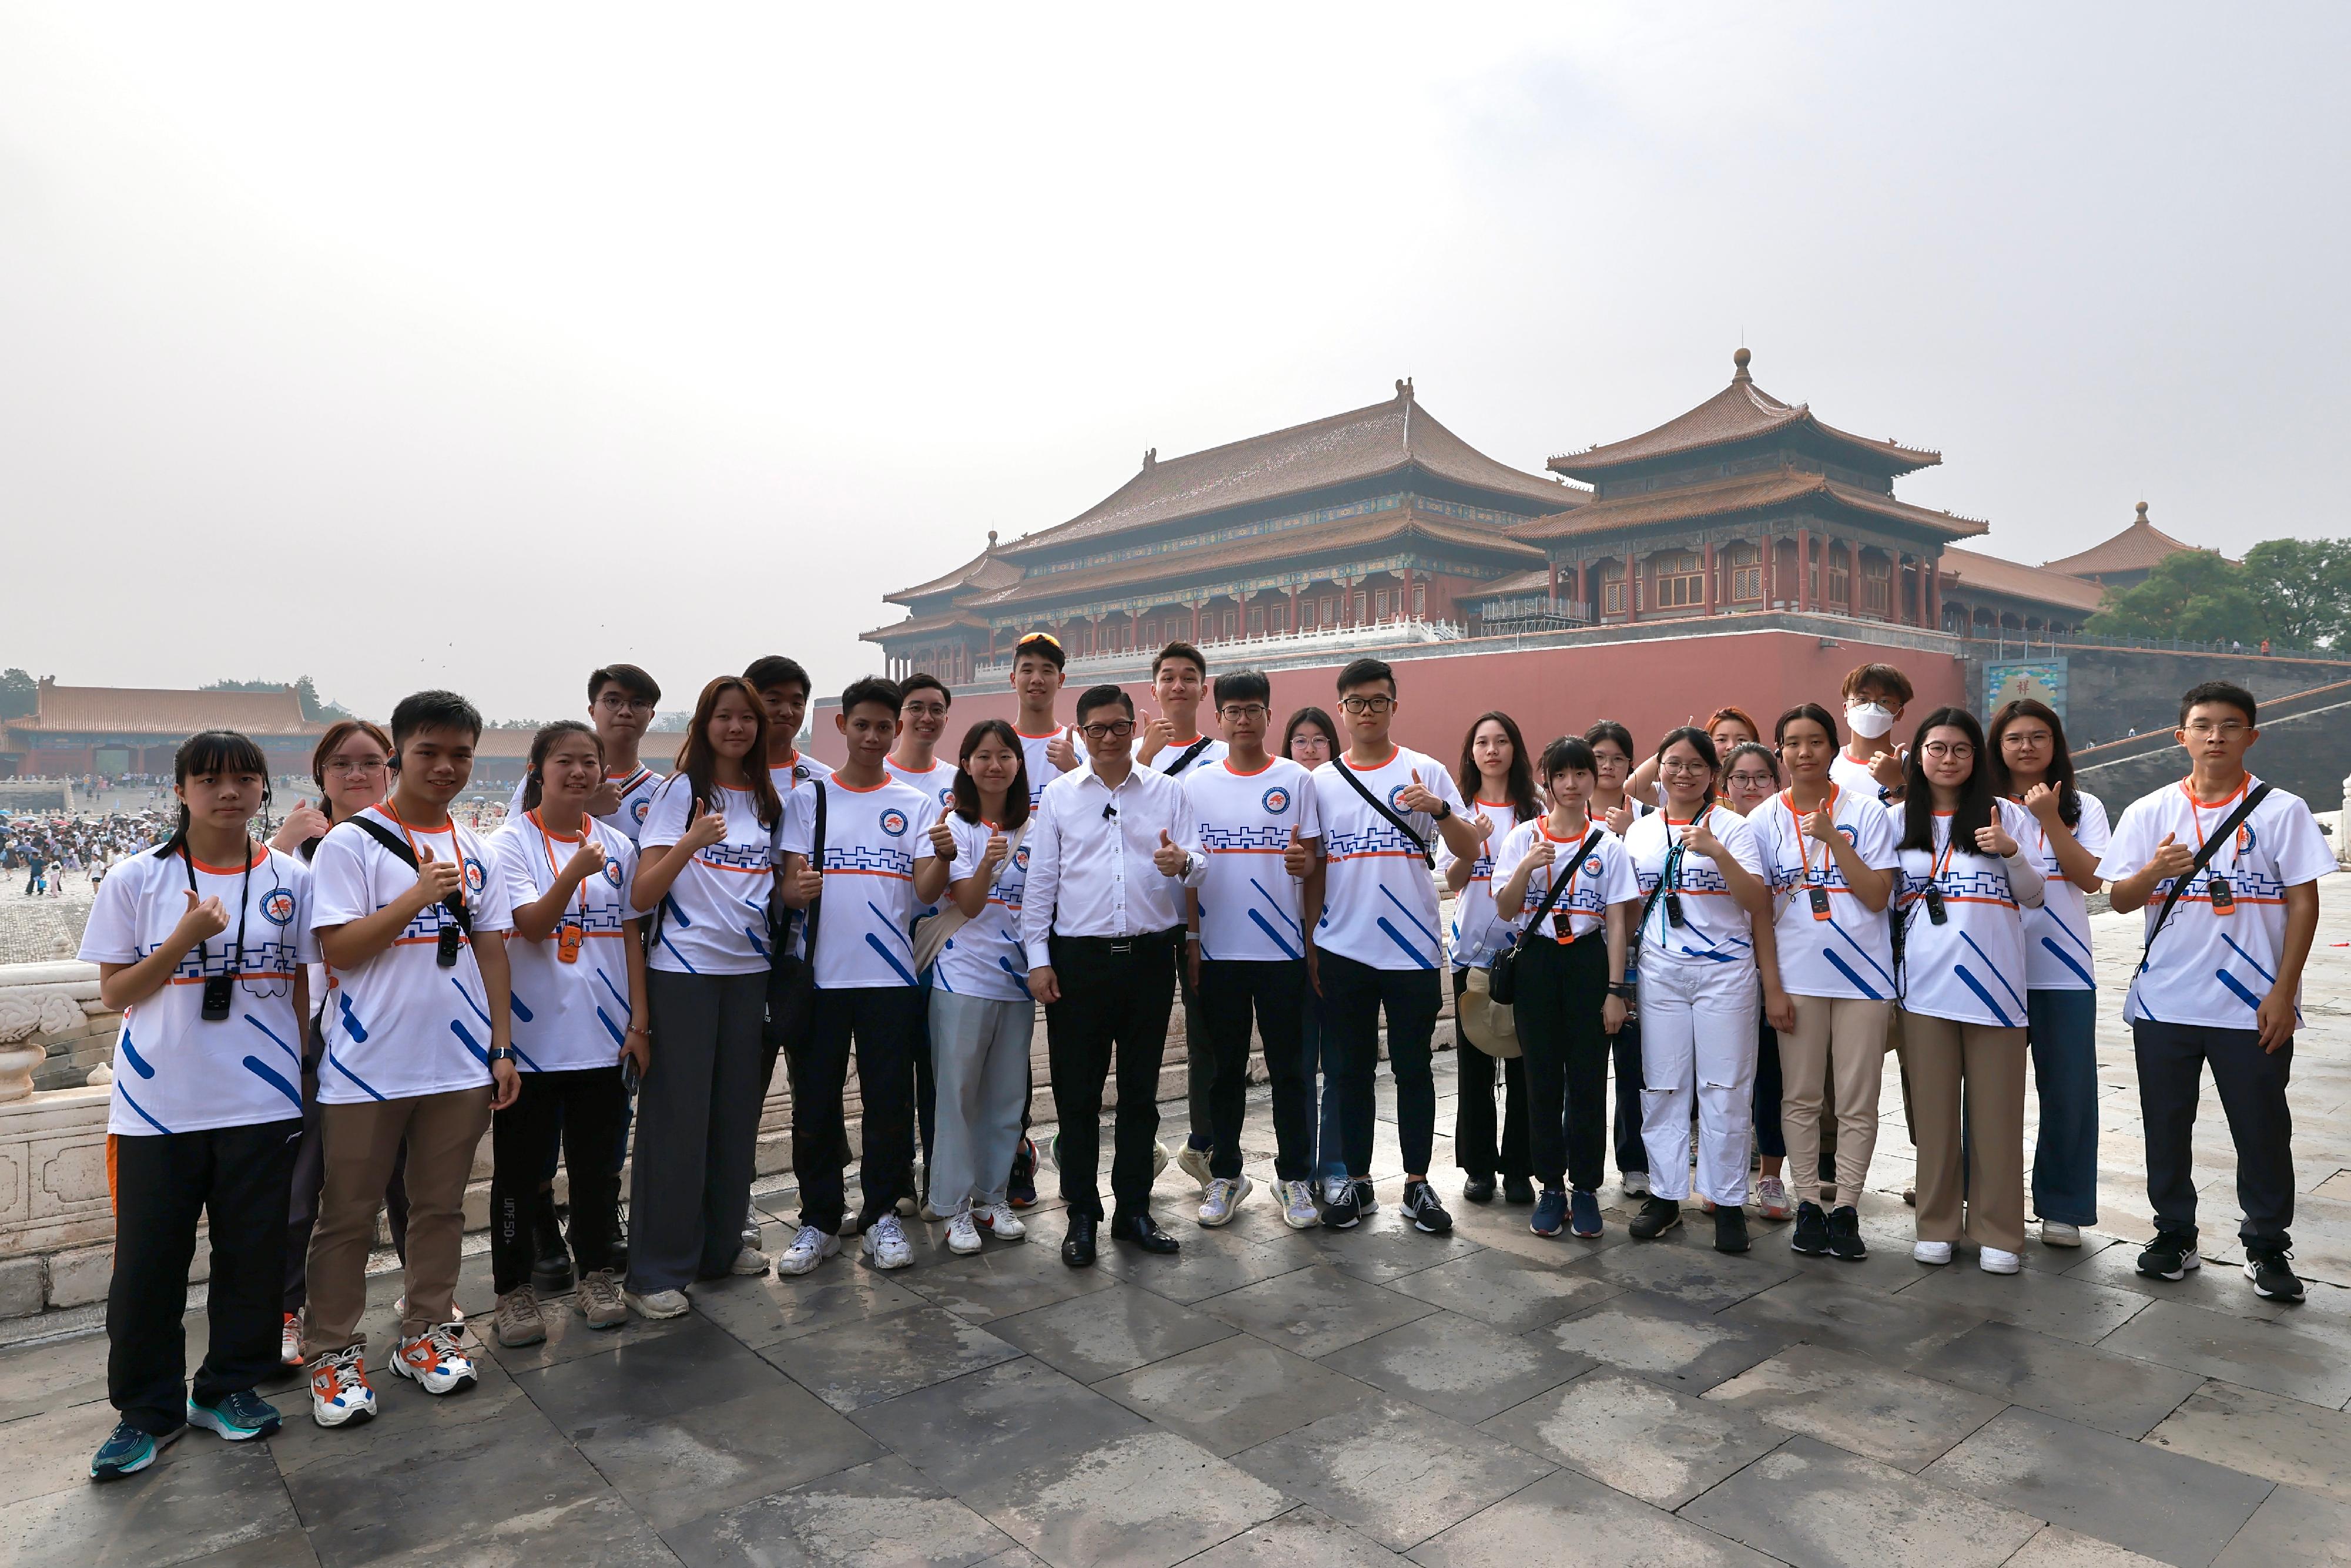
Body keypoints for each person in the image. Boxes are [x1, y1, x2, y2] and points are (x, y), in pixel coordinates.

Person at [83, 732, 314, 1480]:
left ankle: (227, 1388)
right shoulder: (136, 878)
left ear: (262, 789)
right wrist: (184, 938)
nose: (229, 792)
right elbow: (115, 992)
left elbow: (306, 982)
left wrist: (306, 1075)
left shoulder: (289, 877)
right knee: (149, 1263)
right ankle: (145, 1411)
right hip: (158, 1104)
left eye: (244, 778)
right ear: (180, 789)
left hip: (260, 1099)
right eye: (210, 779)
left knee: (252, 1256)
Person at [303, 691, 519, 1426]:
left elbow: (491, 947)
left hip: (457, 1065)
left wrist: (501, 1045)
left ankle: (426, 1333)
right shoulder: (352, 843)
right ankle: (332, 1353)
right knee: (348, 1216)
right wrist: (418, 897)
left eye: (461, 753)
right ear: (400, 754)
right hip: (367, 1067)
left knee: (439, 1210)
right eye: (430, 751)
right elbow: (341, 949)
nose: (447, 766)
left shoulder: (478, 848)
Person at [2102, 681, 2333, 1301]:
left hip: (2251, 1004)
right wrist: (2154, 869)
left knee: (2261, 1128)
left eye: (2230, 725)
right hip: (2163, 1003)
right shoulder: (2149, 812)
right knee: (2165, 1125)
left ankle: (2265, 1245)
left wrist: (2284, 993)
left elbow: (2303, 902)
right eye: (2202, 725)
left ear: (2251, 736)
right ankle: (2173, 1232)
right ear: (2181, 736)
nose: (2215, 736)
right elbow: (2119, 900)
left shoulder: (2281, 810)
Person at [1023, 683, 1205, 1266]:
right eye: (1096, 728)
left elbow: (1201, 862)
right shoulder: (1058, 795)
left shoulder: (1168, 792)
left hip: (1150, 958)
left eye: (1119, 726)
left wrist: (1184, 863)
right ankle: (1081, 1213)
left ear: (1135, 727)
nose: (1108, 737)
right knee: (1076, 1098)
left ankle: (1133, 1209)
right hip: (1077, 962)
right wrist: (1037, 957)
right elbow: (1042, 882)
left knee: (1139, 1095)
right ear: (1079, 733)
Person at [484, 722, 650, 1345]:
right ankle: (512, 1290)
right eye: (565, 761)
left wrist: (639, 1023)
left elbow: (630, 934)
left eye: (589, 762)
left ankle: (597, 1275)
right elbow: (530, 925)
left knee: (598, 1170)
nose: (578, 773)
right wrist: (575, 872)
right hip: (532, 1045)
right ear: (537, 767)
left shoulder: (616, 845)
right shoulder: (509, 843)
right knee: (521, 1176)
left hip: (603, 1041)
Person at [774, 678, 946, 1273]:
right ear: (843, 726)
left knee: (887, 1103)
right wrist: (792, 888)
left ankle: (880, 1215)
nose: (873, 736)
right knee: (815, 1104)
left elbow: (925, 893)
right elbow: (789, 886)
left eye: (883, 726)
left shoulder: (916, 804)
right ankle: (819, 1219)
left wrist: (944, 856)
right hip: (820, 979)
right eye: (862, 725)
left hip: (890, 977)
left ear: (896, 730)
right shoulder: (810, 800)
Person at [1310, 657, 1486, 1235]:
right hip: (1343, 948)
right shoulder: (1321, 782)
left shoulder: (1426, 770)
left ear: (1393, 705)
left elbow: (1468, 848)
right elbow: (1312, 869)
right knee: (1348, 1070)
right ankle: (1355, 1182)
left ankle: (1416, 1183)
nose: (1366, 711)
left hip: (1412, 948)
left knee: (1414, 1069)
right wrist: (1313, 943)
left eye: (1377, 701)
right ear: (1341, 709)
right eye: (1356, 702)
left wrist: (1437, 808)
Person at [626, 676, 781, 1315]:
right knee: (675, 1122)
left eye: (748, 716)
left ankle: (719, 1247)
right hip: (683, 973)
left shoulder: (773, 798)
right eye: (724, 716)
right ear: (704, 723)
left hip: (750, 974)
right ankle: (656, 1270)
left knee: (734, 1116)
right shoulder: (680, 792)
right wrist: (690, 842)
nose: (737, 727)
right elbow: (640, 894)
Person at [272, 720, 417, 1368]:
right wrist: (279, 845)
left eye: (370, 762)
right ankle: (286, 1308)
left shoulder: (413, 839)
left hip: (395, 1030)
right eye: (341, 763)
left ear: (391, 767)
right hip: (311, 1031)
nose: (356, 774)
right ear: (319, 774)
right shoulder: (296, 847)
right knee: (302, 1181)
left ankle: (425, 1294)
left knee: (408, 1177)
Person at [1890, 706, 2045, 1274]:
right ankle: (1936, 1225)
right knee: (1932, 1119)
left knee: (1998, 1118)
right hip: (1924, 993)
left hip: (1997, 991)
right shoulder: (1896, 820)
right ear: (1919, 756)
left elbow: (2034, 897)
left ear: (1976, 757)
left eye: (1960, 749)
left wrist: (2010, 851)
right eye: (1937, 748)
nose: (1948, 758)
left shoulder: (2007, 815)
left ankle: (2000, 1231)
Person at [1623, 727, 1783, 1253]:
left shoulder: (1735, 829)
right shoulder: (1641, 832)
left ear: (1713, 775)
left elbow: (1756, 901)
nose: (1683, 773)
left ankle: (1728, 1200)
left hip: (1726, 976)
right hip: (1660, 975)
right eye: (1673, 763)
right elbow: (1626, 910)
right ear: (1659, 770)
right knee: (1664, 1087)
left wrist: (1716, 851)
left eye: (1696, 765)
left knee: (1726, 1088)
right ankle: (1667, 1196)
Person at [1750, 705, 1898, 1260]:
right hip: (1798, 977)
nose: (1804, 752)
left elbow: (1879, 895)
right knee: (1802, 1096)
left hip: (1864, 978)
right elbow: (1760, 911)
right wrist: (1773, 988)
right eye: (1793, 743)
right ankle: (1808, 1202)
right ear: (1780, 751)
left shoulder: (1867, 812)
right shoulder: (1764, 818)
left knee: (1858, 1101)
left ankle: (1848, 1208)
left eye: (1815, 741)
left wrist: (1836, 839)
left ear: (1834, 748)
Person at [1183, 669, 1322, 1228]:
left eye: (1253, 710)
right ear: (1220, 719)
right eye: (1233, 712)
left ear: (1269, 715)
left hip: (1284, 952)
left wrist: (1303, 870)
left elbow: (1313, 865)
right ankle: (1227, 1173)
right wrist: (1193, 940)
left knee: (1291, 1071)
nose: (1243, 721)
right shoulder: (1197, 785)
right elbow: (1189, 871)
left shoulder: (1296, 781)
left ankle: (1293, 1178)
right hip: (1219, 954)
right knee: (1225, 1072)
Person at [1489, 736, 1639, 1241]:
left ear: (1593, 780)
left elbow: (1618, 922)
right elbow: (1506, 910)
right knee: (1540, 1079)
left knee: (1590, 1078)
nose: (1572, 785)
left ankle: (1588, 1188)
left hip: (1589, 963)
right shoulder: (1521, 839)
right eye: (1561, 775)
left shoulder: (1608, 844)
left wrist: (1615, 989)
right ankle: (1551, 1186)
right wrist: (1528, 868)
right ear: (1547, 781)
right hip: (1537, 962)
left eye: (1581, 773)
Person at [1987, 698, 2109, 1248]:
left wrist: (2050, 820)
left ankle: (2062, 1207)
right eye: (2015, 738)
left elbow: (2090, 880)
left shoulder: (2087, 807)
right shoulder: (1979, 807)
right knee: (1991, 1094)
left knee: (2069, 1092)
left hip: (2063, 971)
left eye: (2039, 736)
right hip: (1992, 969)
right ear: (1998, 747)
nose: (2027, 746)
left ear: (2056, 745)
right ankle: (1988, 1199)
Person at [922, 720, 1034, 1254]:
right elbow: (966, 904)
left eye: (1006, 756)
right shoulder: (956, 825)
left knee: (1006, 1099)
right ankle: (953, 1205)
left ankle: (993, 1197)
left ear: (1018, 765)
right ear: (966, 763)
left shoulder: (1034, 827)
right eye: (984, 756)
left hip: (1017, 982)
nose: (996, 765)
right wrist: (989, 863)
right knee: (958, 1096)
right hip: (962, 976)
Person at [1137, 642, 1230, 1188]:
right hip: (1146, 922)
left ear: (1202, 689)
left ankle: (1204, 1143)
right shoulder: (1124, 752)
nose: (1177, 686)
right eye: (1168, 677)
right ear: (1153, 690)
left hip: (1204, 918)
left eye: (1188, 677)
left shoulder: (1220, 756)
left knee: (1207, 1040)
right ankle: (1142, 1146)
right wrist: (1143, 755)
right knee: (1141, 1038)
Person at [1444, 711, 1539, 1205]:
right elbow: (1455, 880)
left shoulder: (1536, 810)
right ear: (1472, 753)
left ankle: (1520, 1168)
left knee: (1525, 1065)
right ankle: (1478, 1167)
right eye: (1483, 742)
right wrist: (1473, 840)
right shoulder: (1459, 810)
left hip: (1527, 950)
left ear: (1515, 749)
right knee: (1475, 1065)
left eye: (1502, 740)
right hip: (1472, 954)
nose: (1493, 750)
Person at [1715, 738, 1797, 1223]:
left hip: (1777, 966)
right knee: (1724, 1078)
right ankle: (1723, 1177)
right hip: (1719, 969)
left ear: (1776, 781)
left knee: (1772, 1078)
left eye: (1761, 777)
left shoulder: (1783, 830)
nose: (1750, 786)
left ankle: (1770, 1174)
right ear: (1724, 785)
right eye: (1740, 778)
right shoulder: (1712, 829)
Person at [885, 672, 957, 1207]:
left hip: (944, 940)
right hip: (884, 941)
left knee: (938, 1066)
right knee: (892, 1066)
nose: (926, 718)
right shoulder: (877, 776)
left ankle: (941, 1172)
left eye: (936, 708)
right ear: (899, 716)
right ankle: (897, 1177)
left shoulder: (958, 782)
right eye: (917, 708)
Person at [1284, 706, 1349, 1197]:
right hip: (1287, 949)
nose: (1309, 750)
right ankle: (1302, 1169)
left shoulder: (1342, 792)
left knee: (1342, 1064)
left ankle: (1336, 1165)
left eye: (1319, 740)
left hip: (1342, 944)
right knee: (1300, 1065)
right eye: (1300, 741)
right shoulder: (1277, 797)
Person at [1586, 720, 1651, 1194]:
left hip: (1639, 957)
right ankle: (1578, 1163)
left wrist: (1631, 836)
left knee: (1634, 1066)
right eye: (1599, 757)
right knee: (1582, 1067)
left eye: (1617, 759)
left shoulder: (1651, 819)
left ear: (1630, 765)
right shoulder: (1567, 814)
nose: (1607, 767)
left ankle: (1634, 1164)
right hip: (1584, 955)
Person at [501, 664, 667, 842]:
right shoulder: (544, 776)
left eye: (638, 704)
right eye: (612, 701)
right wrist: (584, 806)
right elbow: (512, 836)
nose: (625, 711)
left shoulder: (662, 791)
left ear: (651, 716)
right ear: (592, 711)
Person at [1626, 706, 1762, 806]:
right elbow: (1632, 789)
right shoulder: (1687, 788)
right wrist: (1673, 748)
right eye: (1721, 740)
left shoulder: (1762, 790)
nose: (1731, 746)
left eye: (1742, 740)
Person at [1009, 633, 1081, 808]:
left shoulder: (1079, 747)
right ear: (1013, 679)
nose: (1037, 680)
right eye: (1027, 670)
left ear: (1060, 680)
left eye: (1047, 671)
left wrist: (1075, 771)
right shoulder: (999, 746)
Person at [1831, 663, 1911, 805]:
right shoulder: (1828, 763)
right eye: (1862, 700)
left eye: (1884, 701)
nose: (1873, 708)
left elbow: (1923, 821)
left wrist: (1897, 784)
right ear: (1846, 709)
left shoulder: (1911, 766)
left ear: (1900, 713)